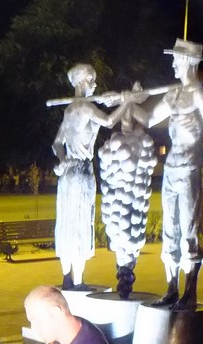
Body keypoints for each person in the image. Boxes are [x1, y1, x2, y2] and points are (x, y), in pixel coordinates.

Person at [145, 39, 203, 309]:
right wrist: (130, 101)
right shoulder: (174, 95)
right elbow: (148, 119)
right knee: (170, 227)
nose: (172, 64)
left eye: (176, 59)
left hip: (191, 168)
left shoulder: (200, 95)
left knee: (190, 229)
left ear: (188, 62)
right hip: (171, 168)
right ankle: (171, 288)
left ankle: (189, 292)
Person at [51, 64, 133, 290]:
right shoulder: (86, 108)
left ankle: (67, 277)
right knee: (79, 223)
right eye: (91, 80)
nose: (95, 85)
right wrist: (127, 102)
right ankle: (77, 281)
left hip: (68, 174)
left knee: (67, 223)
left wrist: (62, 159)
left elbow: (57, 143)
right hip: (82, 173)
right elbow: (109, 121)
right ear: (80, 82)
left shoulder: (70, 110)